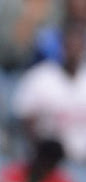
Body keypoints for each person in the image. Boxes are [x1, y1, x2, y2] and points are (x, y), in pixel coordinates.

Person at [13, 22, 86, 164]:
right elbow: (25, 119)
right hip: (49, 162)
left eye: (78, 45)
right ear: (61, 46)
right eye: (69, 45)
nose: (73, 50)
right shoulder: (40, 76)